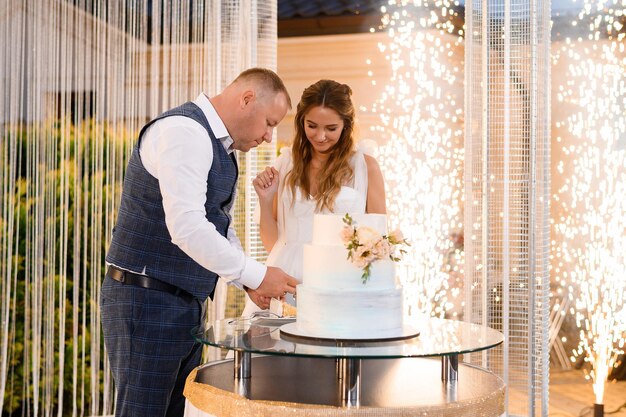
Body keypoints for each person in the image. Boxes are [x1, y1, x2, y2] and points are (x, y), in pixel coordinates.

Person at [100, 67, 299, 417]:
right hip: (147, 301)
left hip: (177, 303)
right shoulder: (184, 132)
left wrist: (247, 282)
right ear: (247, 99)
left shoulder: (218, 145)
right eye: (269, 122)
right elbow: (188, 227)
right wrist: (256, 275)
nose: (270, 136)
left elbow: (215, 223)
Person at [241, 79, 386, 316]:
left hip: (341, 283)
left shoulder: (365, 166)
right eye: (312, 126)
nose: (320, 136)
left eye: (331, 128)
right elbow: (275, 245)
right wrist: (265, 201)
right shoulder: (285, 164)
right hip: (287, 281)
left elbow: (378, 239)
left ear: (346, 126)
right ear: (301, 122)